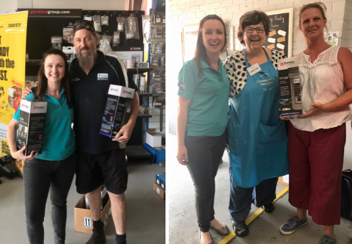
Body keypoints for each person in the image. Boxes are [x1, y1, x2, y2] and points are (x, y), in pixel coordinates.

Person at [23, 20, 139, 244]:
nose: (83, 44)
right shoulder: (70, 70)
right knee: (92, 190)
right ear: (73, 44)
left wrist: (131, 123)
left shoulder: (114, 64)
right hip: (83, 147)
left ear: (96, 40)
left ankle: (121, 239)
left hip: (113, 144)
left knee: (116, 193)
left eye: (87, 38)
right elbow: (51, 86)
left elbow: (132, 95)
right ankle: (97, 231)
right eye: (78, 40)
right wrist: (32, 89)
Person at [279, 3, 352, 244]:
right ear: (300, 27)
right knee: (299, 174)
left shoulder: (340, 54)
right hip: (298, 128)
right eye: (306, 20)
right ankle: (300, 216)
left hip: (329, 128)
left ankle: (328, 232)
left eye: (316, 19)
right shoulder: (291, 61)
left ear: (323, 22)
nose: (311, 24)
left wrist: (326, 107)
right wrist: (286, 112)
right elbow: (289, 98)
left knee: (326, 179)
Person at [224, 10, 289, 237]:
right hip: (244, 131)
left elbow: (289, 88)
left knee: (269, 170)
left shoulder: (278, 57)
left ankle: (264, 199)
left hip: (272, 125)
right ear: (241, 34)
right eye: (249, 29)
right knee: (242, 176)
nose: (254, 34)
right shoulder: (233, 63)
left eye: (259, 29)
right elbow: (222, 98)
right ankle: (238, 216)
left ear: (266, 32)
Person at [7, 48, 76, 244]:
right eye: (50, 66)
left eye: (59, 65)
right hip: (38, 162)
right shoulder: (32, 98)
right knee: (34, 217)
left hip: (66, 160)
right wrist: (14, 152)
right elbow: (12, 126)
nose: (55, 70)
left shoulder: (70, 94)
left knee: (59, 204)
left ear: (65, 69)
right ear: (44, 69)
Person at [176, 15, 231, 244]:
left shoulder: (221, 65)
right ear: (200, 35)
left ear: (225, 37)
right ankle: (204, 229)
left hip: (219, 136)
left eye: (219, 32)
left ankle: (210, 218)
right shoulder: (191, 68)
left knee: (211, 180)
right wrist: (180, 144)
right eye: (208, 32)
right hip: (196, 139)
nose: (214, 37)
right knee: (204, 187)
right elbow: (182, 109)